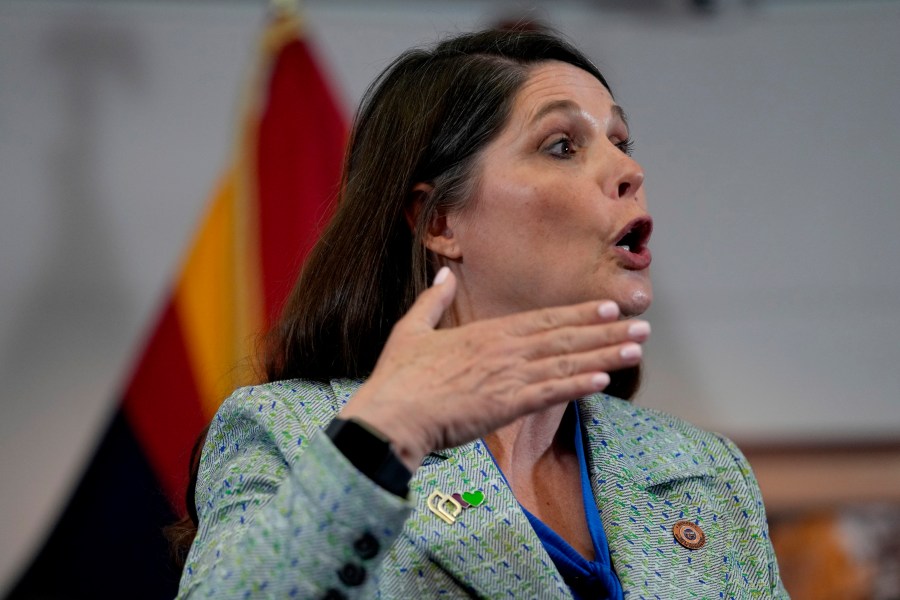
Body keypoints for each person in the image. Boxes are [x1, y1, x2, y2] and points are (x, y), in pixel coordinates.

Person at [174, 28, 787, 599]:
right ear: (439, 220)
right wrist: (384, 435)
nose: (630, 171)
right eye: (562, 146)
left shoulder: (701, 470)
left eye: (621, 142)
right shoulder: (290, 434)